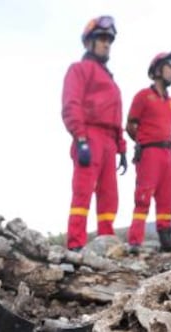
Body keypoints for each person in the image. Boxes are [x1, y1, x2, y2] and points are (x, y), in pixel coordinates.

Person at [62, 15, 127, 252]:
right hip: (89, 135)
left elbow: (117, 114)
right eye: (101, 39)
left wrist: (121, 147)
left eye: (109, 40)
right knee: (83, 191)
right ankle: (76, 243)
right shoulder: (80, 69)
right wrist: (80, 138)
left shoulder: (110, 79)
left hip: (109, 140)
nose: (106, 44)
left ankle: (106, 241)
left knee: (109, 194)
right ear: (89, 42)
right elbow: (71, 104)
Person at [126, 51, 171, 253]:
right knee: (143, 195)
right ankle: (135, 240)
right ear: (158, 69)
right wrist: (142, 142)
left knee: (168, 195)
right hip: (150, 153)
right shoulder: (143, 96)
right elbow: (131, 124)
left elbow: (170, 127)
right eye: (170, 66)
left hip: (168, 152)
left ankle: (165, 237)